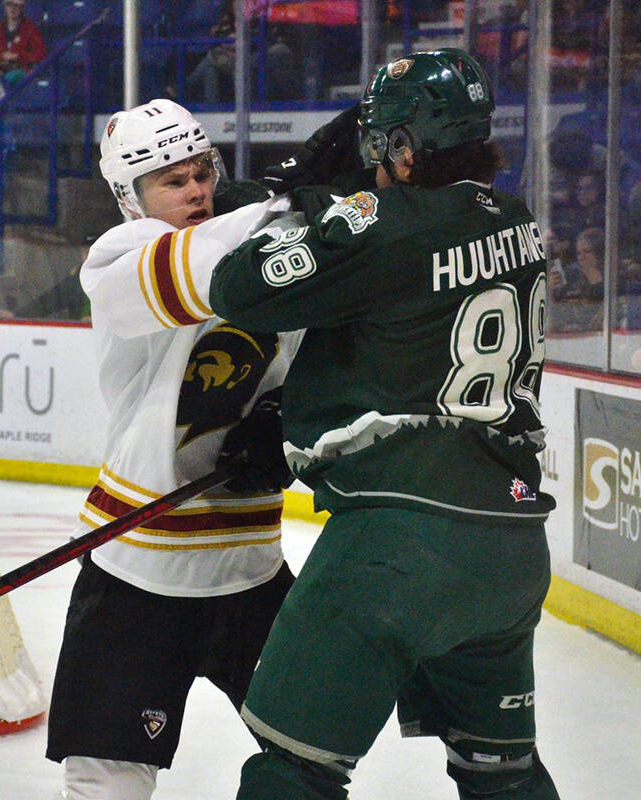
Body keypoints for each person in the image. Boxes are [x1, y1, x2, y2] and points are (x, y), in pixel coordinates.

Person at [207, 48, 560, 800]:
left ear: (404, 147)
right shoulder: (520, 223)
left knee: (291, 766)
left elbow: (238, 289)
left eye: (380, 142)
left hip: (397, 549)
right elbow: (409, 325)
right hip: (509, 548)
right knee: (502, 774)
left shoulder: (385, 222)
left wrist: (309, 199)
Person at [44, 98, 304, 800]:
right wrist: (293, 202)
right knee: (107, 780)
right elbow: (209, 270)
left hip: (251, 563)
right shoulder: (118, 262)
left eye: (201, 172)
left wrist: (285, 417)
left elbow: (319, 362)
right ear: (130, 199)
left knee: (314, 754)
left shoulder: (266, 241)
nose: (194, 190)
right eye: (170, 180)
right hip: (140, 572)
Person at [0, 0, 47, 101]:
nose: (12, 9)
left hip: (20, 69)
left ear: (21, 7)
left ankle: (2, 108)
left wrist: (17, 56)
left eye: (16, 5)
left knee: (10, 78)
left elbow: (40, 54)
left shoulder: (30, 28)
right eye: (9, 5)